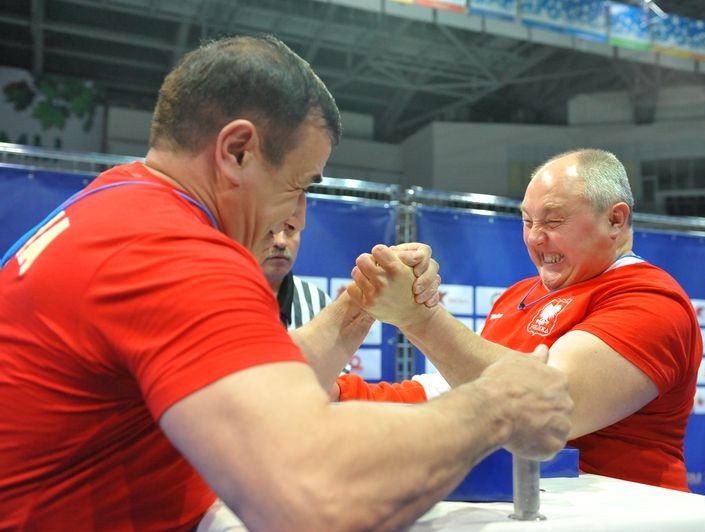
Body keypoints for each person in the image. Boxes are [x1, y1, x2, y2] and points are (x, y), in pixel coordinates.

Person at [0, 35, 573, 531]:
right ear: (237, 151)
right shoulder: (173, 251)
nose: (296, 214)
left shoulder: (117, 204)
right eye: (299, 186)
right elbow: (314, 496)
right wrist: (496, 405)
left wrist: (362, 303)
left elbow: (246, 382)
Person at [343, 148, 703, 492]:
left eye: (553, 221)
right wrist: (341, 395)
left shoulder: (651, 299)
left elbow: (550, 409)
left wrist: (418, 317)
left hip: (627, 514)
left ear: (615, 219)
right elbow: (460, 391)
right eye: (527, 221)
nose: (534, 237)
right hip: (531, 504)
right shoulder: (516, 295)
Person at [262, 224, 331, 330]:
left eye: (290, 228)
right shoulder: (233, 297)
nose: (281, 242)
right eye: (270, 230)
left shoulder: (319, 302)